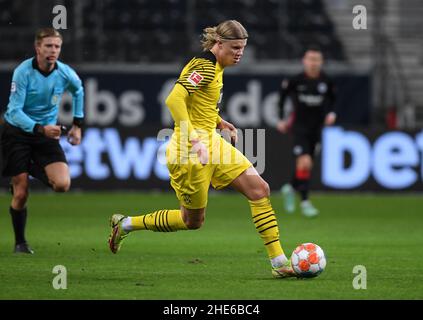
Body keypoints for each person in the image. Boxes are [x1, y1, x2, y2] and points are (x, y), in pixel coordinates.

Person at [108, 20, 297, 278]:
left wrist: (218, 120)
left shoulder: (216, 66)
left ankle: (278, 262)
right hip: (189, 151)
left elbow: (198, 101)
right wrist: (194, 139)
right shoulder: (204, 66)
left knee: (259, 189)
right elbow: (174, 98)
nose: (239, 53)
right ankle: (127, 224)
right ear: (219, 44)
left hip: (212, 142)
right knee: (192, 221)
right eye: (235, 47)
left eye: (242, 47)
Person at [1, 28, 84, 253]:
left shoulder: (64, 72)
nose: (53, 50)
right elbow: (15, 111)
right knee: (21, 192)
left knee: (62, 185)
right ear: (38, 48)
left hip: (45, 135)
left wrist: (77, 125)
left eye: (56, 46)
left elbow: (78, 90)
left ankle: (29, 167)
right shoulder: (23, 72)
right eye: (48, 46)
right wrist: (39, 128)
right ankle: (20, 243)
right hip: (17, 133)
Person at [277, 46, 336, 217]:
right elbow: (281, 98)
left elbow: (333, 100)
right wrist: (281, 119)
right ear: (304, 61)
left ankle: (290, 187)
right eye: (310, 59)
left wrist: (331, 114)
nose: (313, 63)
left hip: (317, 129)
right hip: (299, 127)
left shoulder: (326, 81)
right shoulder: (295, 80)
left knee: (307, 165)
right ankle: (305, 202)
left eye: (316, 59)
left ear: (321, 62)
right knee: (304, 162)